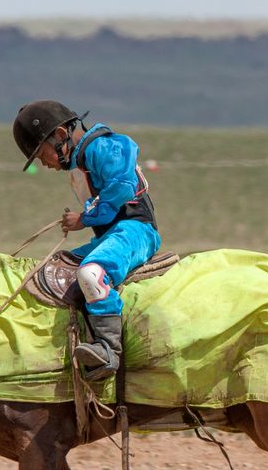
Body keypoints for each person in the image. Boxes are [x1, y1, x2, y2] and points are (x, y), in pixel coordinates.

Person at [11, 100, 159, 379]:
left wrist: (85, 218)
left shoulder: (106, 147)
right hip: (110, 236)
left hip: (135, 231)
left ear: (60, 136)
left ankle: (108, 350)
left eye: (42, 155)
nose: (45, 164)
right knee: (58, 267)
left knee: (91, 274)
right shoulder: (81, 164)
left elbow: (122, 187)